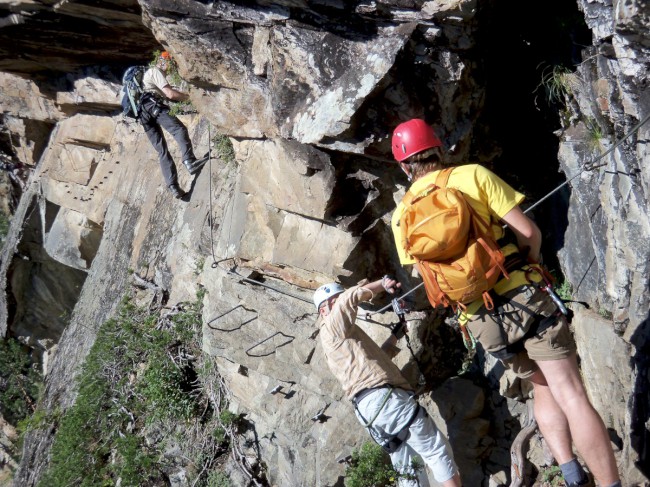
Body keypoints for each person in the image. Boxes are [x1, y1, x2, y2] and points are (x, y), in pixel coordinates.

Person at [389, 118, 621, 487]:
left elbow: (426, 276)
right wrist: (528, 262)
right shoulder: (470, 176)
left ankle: (573, 475)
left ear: (404, 166)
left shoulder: (401, 217)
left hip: (481, 320)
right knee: (570, 392)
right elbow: (529, 231)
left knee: (540, 387)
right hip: (523, 295)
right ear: (439, 149)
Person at [314, 277, 461, 487]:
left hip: (370, 411)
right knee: (434, 449)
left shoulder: (336, 340)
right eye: (334, 301)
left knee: (408, 469)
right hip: (385, 400)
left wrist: (395, 336)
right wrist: (381, 285)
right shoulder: (332, 326)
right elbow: (348, 299)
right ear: (324, 310)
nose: (340, 305)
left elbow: (374, 360)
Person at [140, 50, 205, 199]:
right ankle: (189, 161)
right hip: (152, 106)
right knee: (178, 129)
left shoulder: (145, 79)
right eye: (170, 63)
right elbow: (170, 94)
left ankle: (173, 187)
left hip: (143, 115)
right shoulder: (155, 71)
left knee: (161, 151)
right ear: (163, 61)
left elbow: (170, 97)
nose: (169, 67)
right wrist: (192, 98)